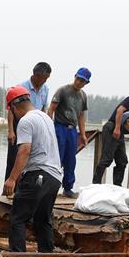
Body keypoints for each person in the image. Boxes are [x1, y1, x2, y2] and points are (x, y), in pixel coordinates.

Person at [4, 86, 62, 252]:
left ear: (13, 107)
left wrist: (12, 178)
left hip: (38, 174)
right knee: (43, 220)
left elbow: (24, 150)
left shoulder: (26, 121)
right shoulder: (45, 117)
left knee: (18, 218)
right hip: (54, 177)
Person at [93, 90, 129, 185]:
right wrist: (117, 127)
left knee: (122, 161)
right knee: (106, 159)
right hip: (112, 128)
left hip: (120, 133)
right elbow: (120, 110)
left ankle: (117, 185)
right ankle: (95, 184)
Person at [48, 68, 91, 198]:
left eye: (82, 81)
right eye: (78, 79)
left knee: (70, 160)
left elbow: (81, 116)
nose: (79, 82)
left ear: (86, 83)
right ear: (75, 76)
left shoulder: (83, 96)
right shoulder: (63, 91)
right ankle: (51, 187)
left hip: (73, 130)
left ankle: (68, 187)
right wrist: (49, 128)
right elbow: (51, 110)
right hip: (60, 127)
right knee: (57, 158)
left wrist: (82, 134)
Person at [6, 62, 51, 179]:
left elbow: (43, 108)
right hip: (20, 122)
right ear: (35, 75)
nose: (45, 81)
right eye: (43, 78)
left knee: (32, 155)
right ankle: (9, 185)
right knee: (14, 156)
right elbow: (11, 110)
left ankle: (23, 184)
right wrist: (11, 130)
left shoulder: (45, 89)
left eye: (47, 78)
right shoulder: (21, 88)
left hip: (36, 124)